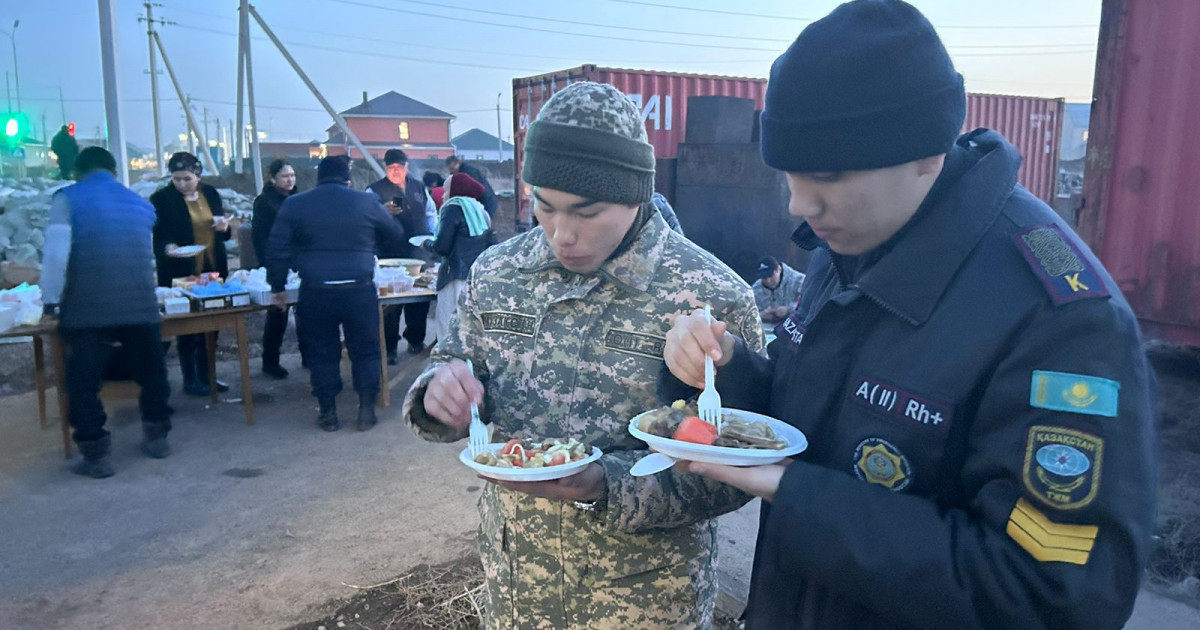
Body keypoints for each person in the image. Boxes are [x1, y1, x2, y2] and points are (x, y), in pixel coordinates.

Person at [661, 2, 1156, 628]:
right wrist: (726, 371)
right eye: (787, 174)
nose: (797, 204)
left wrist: (798, 493)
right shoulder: (848, 245)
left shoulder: (1061, 324)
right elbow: (811, 415)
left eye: (826, 176)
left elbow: (1050, 595)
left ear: (927, 152)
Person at [403, 82, 763, 629]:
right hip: (518, 587)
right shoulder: (498, 274)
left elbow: (737, 466)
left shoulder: (708, 294)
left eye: (587, 212)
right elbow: (451, 360)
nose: (562, 235)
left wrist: (608, 485)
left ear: (637, 194)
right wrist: (437, 394)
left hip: (646, 601)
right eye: (544, 208)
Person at [40, 147, 172, 478]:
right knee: (152, 373)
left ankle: (96, 454)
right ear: (114, 171)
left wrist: (51, 303)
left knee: (83, 381)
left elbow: (56, 256)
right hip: (140, 304)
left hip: (88, 307)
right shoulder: (141, 205)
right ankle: (157, 437)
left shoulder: (68, 199)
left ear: (77, 172)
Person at [268, 155, 407, 432]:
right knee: (366, 350)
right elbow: (395, 232)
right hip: (358, 288)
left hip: (316, 290)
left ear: (318, 177)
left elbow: (277, 249)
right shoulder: (366, 202)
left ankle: (329, 413)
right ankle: (366, 411)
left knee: (322, 351)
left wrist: (278, 288)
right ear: (349, 179)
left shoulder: (295, 203)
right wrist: (368, 245)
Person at [151, 152, 236, 397]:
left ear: (197, 175)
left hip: (211, 266)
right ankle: (191, 378)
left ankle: (208, 374)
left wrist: (224, 228)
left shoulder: (210, 194)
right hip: (180, 270)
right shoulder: (162, 199)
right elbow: (159, 233)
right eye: (176, 179)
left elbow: (223, 229)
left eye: (187, 178)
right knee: (187, 325)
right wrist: (168, 247)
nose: (181, 184)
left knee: (211, 323)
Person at [367, 149, 434, 361]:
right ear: (385, 167)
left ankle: (415, 340)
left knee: (419, 300)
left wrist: (431, 236)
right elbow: (365, 219)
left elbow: (431, 213)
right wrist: (382, 211)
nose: (395, 171)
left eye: (399, 167)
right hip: (389, 253)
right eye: (391, 168)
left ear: (407, 167)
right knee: (390, 303)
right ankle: (389, 347)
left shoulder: (418, 187)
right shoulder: (374, 191)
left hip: (418, 253)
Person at [422, 172, 495, 345]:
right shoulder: (481, 210)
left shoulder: (452, 208)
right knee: (470, 331)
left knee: (448, 328)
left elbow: (442, 247)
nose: (444, 195)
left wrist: (425, 244)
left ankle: (447, 368)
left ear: (456, 190)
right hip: (476, 278)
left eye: (447, 190)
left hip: (454, 277)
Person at [252, 159, 298, 379]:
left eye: (292, 175)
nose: (290, 180)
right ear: (273, 179)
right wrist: (269, 267)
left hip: (298, 263)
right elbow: (260, 238)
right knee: (278, 312)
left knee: (304, 311)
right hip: (276, 262)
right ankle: (270, 360)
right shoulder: (265, 202)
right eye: (285, 176)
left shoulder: (298, 198)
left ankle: (308, 355)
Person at [751, 256, 804, 323]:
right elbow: (747, 312)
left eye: (770, 276)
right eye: (764, 277)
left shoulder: (799, 281)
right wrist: (762, 315)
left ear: (779, 269)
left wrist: (788, 310)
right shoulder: (755, 289)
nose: (768, 281)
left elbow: (810, 304)